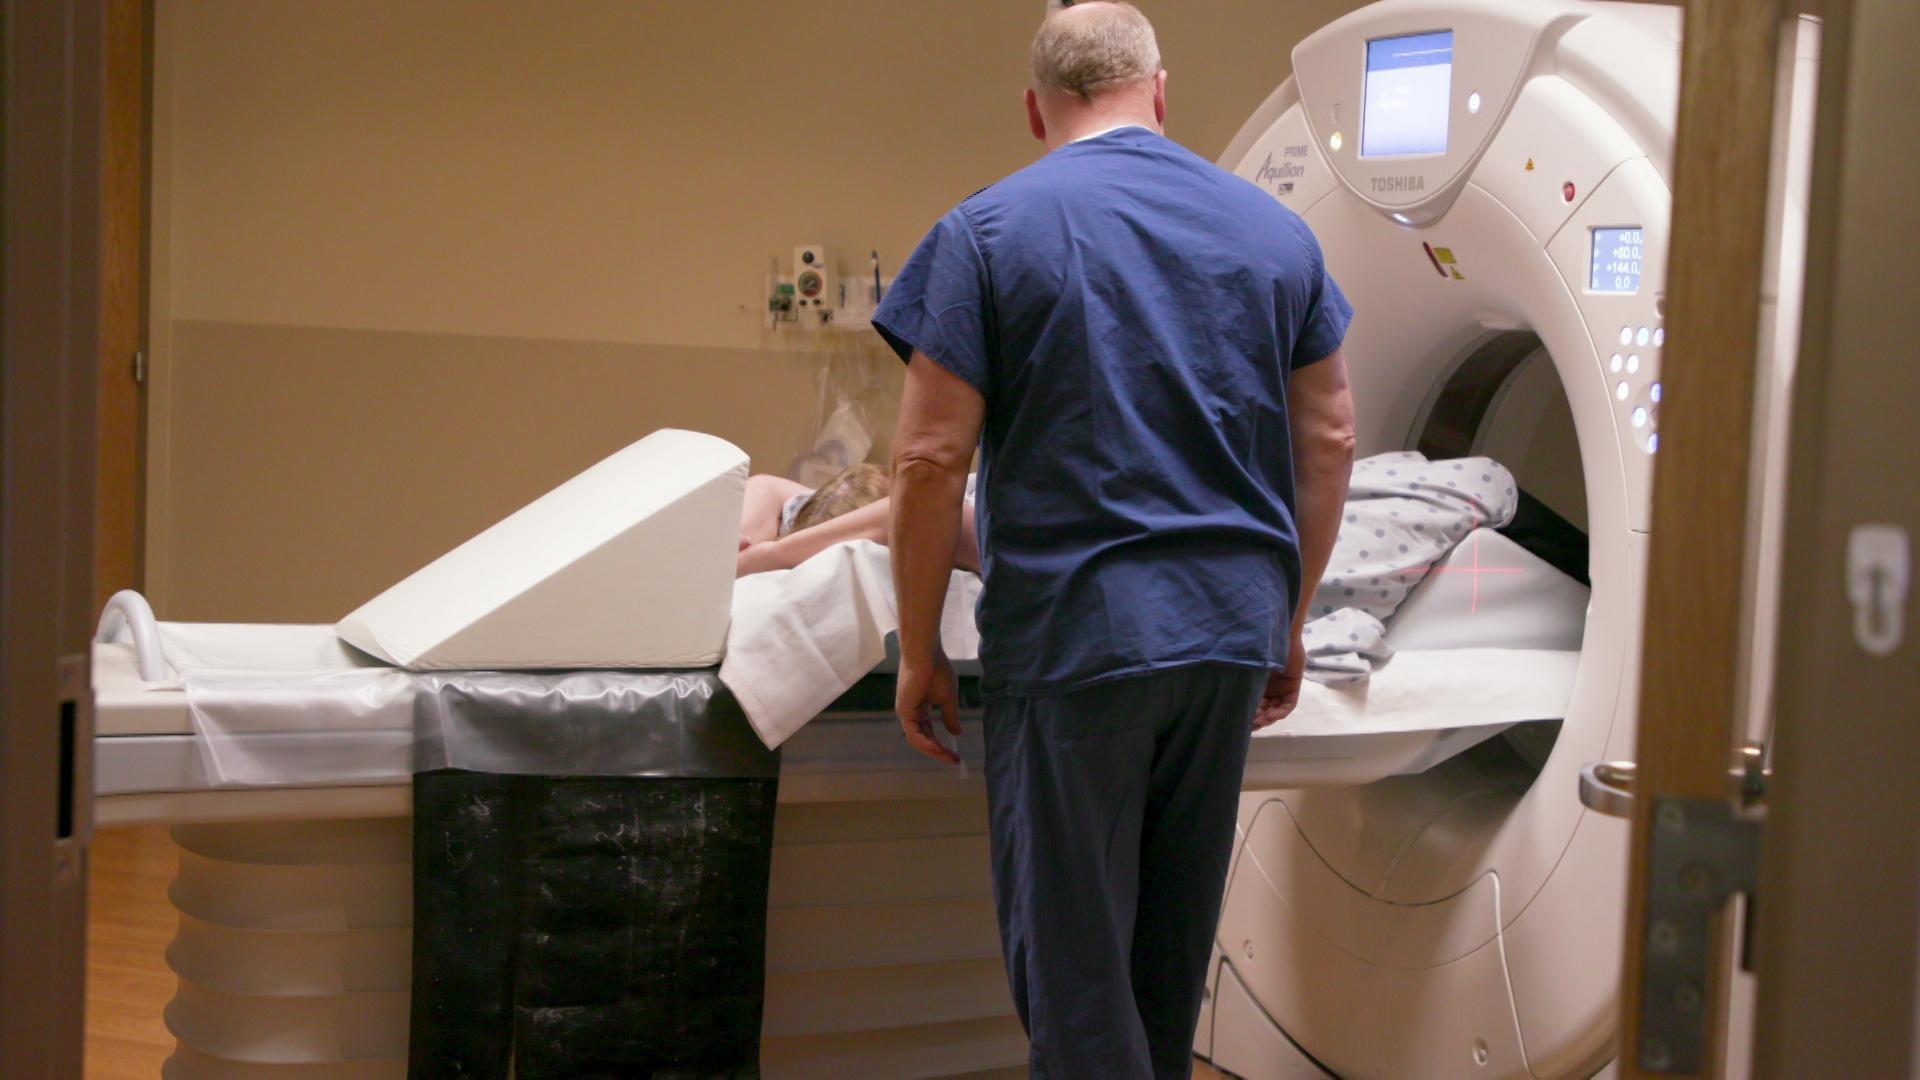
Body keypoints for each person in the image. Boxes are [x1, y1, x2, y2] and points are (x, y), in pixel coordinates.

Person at [872, 3, 1356, 1076]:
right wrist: (1285, 614)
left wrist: (918, 651)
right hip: (1226, 637)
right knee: (1165, 972)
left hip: (1079, 642)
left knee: (1078, 986)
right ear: (1162, 90)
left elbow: (924, 463)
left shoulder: (986, 234)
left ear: (1036, 112)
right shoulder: (1277, 233)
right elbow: (1330, 434)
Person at [735, 464, 981, 576]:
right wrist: (740, 553)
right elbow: (765, 486)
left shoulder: (984, 524)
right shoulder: (824, 516)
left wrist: (774, 556)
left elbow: (915, 510)